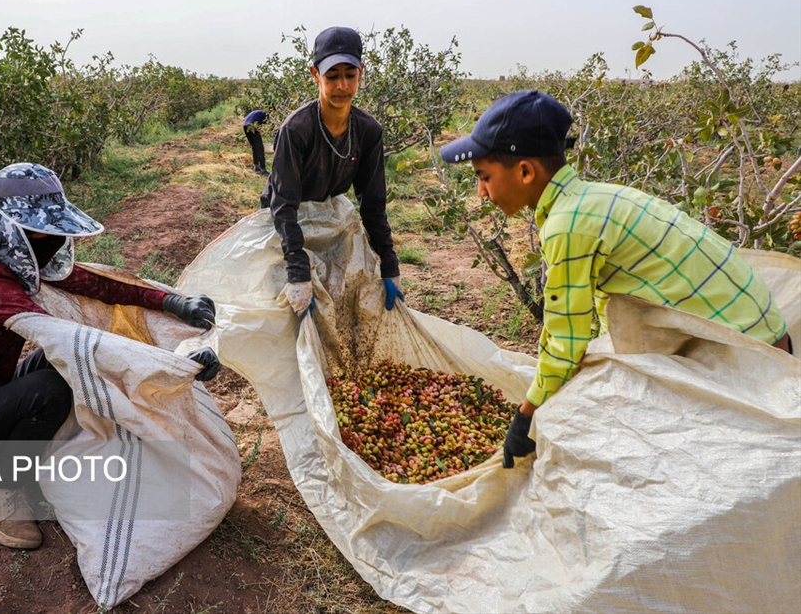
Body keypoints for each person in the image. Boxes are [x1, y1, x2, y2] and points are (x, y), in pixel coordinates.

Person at [439, 89, 791, 469]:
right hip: (764, 333)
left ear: (525, 171)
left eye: (483, 177)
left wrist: (525, 417)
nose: (481, 192)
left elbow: (565, 338)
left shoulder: (566, 225)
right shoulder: (592, 198)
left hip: (753, 363)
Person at [0, 162, 221, 549]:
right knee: (51, 387)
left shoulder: (13, 264)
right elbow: (75, 339)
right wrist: (177, 365)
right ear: (16, 231)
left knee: (65, 370)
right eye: (43, 230)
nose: (52, 238)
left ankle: (30, 456)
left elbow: (93, 285)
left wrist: (170, 301)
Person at [260, 26, 403, 316]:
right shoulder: (296, 130)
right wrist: (297, 270)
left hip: (330, 218)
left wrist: (389, 264)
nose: (342, 86)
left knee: (341, 303)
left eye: (350, 75)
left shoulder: (368, 130)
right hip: (285, 224)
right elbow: (283, 204)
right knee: (285, 311)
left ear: (361, 72)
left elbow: (373, 203)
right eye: (332, 76)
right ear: (315, 74)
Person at [243, 109, 270, 176]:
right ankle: (263, 169)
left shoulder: (259, 113)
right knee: (260, 148)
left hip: (245, 126)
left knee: (254, 147)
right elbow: (263, 123)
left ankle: (256, 166)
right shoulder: (264, 115)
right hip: (252, 126)